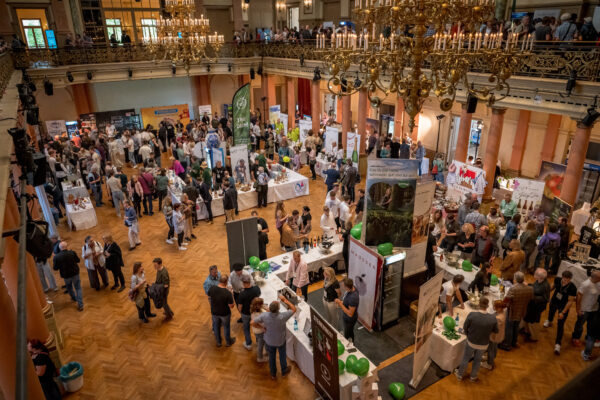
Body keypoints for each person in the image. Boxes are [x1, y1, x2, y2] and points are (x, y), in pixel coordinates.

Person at [252, 294, 296, 380]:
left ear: (270, 308)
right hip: (280, 341)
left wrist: (262, 328)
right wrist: (284, 300)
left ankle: (273, 374)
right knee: (282, 356)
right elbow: (294, 309)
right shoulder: (282, 316)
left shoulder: (264, 315)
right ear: (278, 309)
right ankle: (284, 370)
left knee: (271, 357)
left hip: (269, 341)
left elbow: (252, 323)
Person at [454, 297, 498, 382]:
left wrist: (468, 334)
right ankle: (473, 377)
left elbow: (465, 327)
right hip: (483, 344)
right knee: (477, 360)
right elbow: (495, 331)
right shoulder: (492, 318)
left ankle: (460, 375)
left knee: (466, 358)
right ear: (487, 305)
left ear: (479, 304)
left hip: (471, 342)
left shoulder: (472, 315)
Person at [543, 270, 577, 355]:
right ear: (562, 277)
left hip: (563, 306)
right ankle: (549, 320)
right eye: (564, 279)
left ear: (570, 279)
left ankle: (558, 344)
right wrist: (546, 295)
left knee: (560, 324)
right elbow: (552, 287)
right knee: (551, 312)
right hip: (554, 301)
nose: (565, 281)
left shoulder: (573, 288)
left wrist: (563, 312)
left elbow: (570, 301)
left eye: (568, 279)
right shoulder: (557, 280)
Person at [499, 272, 533, 351]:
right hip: (522, 311)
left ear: (515, 279)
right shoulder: (529, 289)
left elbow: (506, 299)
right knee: (516, 326)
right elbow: (531, 298)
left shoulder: (513, 288)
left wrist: (502, 304)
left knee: (509, 327)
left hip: (512, 311)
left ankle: (507, 345)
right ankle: (514, 342)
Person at [571, 271, 600, 346]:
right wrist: (578, 309)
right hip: (584, 309)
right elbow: (579, 296)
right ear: (595, 278)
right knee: (580, 325)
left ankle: (588, 338)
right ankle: (575, 338)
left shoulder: (598, 283)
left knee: (591, 325)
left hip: (594, 309)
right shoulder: (585, 284)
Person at [53, 241, 84, 311]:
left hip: (66, 276)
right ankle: (80, 305)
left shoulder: (56, 257)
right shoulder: (72, 253)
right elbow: (78, 260)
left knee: (69, 288)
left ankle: (73, 298)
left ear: (59, 248)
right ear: (66, 246)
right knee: (78, 288)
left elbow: (55, 268)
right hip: (75, 273)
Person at [522, 268, 550, 342]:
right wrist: (528, 285)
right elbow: (534, 287)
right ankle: (527, 331)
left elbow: (545, 299)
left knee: (533, 321)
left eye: (535, 274)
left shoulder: (545, 286)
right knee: (528, 317)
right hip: (532, 304)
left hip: (537, 306)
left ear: (539, 277)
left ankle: (534, 337)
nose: (534, 274)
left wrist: (532, 297)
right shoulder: (538, 281)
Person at [208, 274, 236, 347]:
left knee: (216, 326)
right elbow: (231, 306)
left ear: (219, 280)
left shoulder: (212, 288)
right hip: (224, 314)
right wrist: (231, 294)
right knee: (226, 327)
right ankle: (228, 342)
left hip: (214, 312)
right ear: (226, 282)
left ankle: (218, 342)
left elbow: (209, 296)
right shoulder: (227, 293)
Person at [481, 300, 507, 371]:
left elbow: (493, 327)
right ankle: (492, 358)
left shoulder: (498, 318)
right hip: (497, 335)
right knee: (494, 347)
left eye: (494, 306)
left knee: (491, 349)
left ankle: (489, 364)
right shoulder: (502, 313)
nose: (493, 307)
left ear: (499, 308)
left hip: (494, 336)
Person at [238, 275, 261, 350]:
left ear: (244, 283)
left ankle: (248, 344)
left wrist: (241, 312)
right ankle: (258, 342)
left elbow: (240, 306)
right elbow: (259, 296)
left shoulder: (242, 294)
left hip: (245, 314)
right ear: (250, 282)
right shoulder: (256, 289)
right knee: (256, 326)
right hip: (255, 313)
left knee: (246, 328)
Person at [335, 278, 359, 342]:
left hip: (350, 319)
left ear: (347, 287)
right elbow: (347, 302)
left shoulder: (353, 298)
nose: (342, 287)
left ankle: (349, 344)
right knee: (350, 331)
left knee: (347, 334)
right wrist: (341, 302)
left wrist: (340, 303)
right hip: (347, 317)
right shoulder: (352, 288)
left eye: (343, 286)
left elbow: (350, 314)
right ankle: (351, 341)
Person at [153, 258, 174, 322]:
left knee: (164, 304)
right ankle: (170, 312)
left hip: (163, 291)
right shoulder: (159, 269)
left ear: (160, 264)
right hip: (161, 290)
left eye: (155, 265)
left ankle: (169, 316)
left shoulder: (163, 273)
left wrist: (162, 293)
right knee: (164, 303)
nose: (154, 266)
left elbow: (166, 285)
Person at [250, 297, 268, 362]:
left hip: (256, 331)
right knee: (261, 345)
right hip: (260, 331)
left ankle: (262, 351)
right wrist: (262, 328)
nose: (263, 305)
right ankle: (260, 358)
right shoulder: (258, 314)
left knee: (260, 342)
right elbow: (254, 324)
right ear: (258, 305)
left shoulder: (253, 310)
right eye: (262, 304)